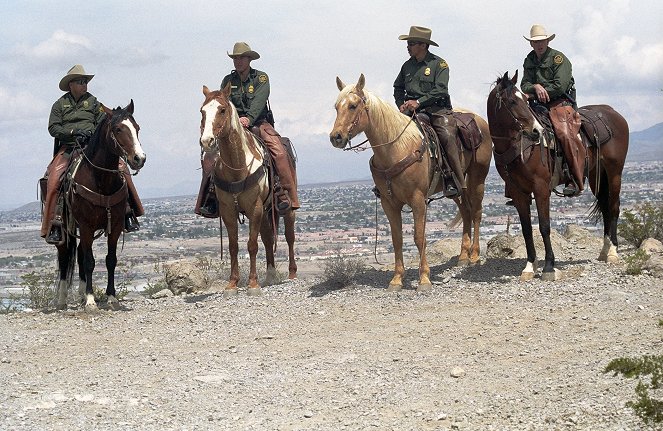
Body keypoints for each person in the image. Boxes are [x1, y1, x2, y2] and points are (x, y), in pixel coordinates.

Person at [195, 42, 299, 217]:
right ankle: (211, 197)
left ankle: (283, 193)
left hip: (259, 122)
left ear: (249, 59)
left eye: (242, 57)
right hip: (234, 126)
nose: (238, 61)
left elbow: (260, 100)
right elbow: (223, 104)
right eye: (235, 58)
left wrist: (248, 118)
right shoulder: (228, 81)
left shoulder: (261, 79)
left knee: (279, 152)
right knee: (210, 157)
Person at [42, 64, 143, 244]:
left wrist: (93, 133)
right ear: (71, 84)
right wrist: (73, 132)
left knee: (122, 169)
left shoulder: (94, 102)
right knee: (54, 178)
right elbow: (53, 127)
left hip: (92, 146)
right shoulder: (59, 105)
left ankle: (129, 212)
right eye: (80, 82)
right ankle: (54, 223)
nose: (84, 85)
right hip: (69, 147)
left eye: (86, 82)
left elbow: (103, 122)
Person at [393, 25, 464, 198]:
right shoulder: (406, 66)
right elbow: (398, 87)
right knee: (390, 132)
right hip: (411, 111)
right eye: (408, 43)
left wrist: (418, 102)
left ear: (423, 45)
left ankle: (451, 177)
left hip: (437, 110)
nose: (407, 47)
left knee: (446, 137)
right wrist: (401, 104)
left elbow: (441, 90)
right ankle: (387, 178)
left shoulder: (439, 64)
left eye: (411, 43)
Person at [521, 24, 585, 197]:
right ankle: (517, 185)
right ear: (531, 44)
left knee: (564, 134)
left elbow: (560, 85)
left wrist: (542, 90)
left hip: (560, 103)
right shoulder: (529, 60)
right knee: (518, 130)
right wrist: (535, 86)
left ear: (548, 41)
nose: (539, 44)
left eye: (542, 41)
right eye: (535, 42)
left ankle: (574, 178)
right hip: (537, 106)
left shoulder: (558, 58)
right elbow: (524, 84)